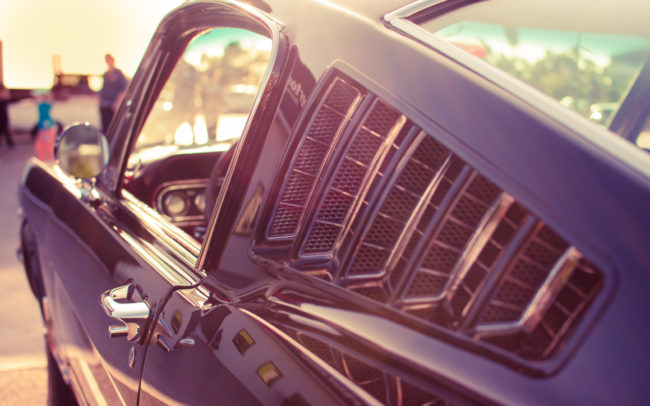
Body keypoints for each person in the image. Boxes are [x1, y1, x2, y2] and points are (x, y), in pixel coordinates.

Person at [99, 53, 127, 133]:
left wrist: (117, 103)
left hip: (112, 105)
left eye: (109, 60)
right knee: (104, 127)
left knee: (112, 127)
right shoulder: (105, 74)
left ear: (112, 60)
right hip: (104, 104)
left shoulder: (118, 73)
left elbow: (122, 89)